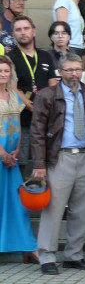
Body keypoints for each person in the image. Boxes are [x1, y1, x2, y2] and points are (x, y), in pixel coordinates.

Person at [29, 53, 85, 275]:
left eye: (77, 69)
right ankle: (46, 256)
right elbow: (37, 132)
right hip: (59, 158)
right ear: (60, 72)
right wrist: (39, 163)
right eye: (69, 70)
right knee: (53, 209)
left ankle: (74, 255)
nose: (74, 74)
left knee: (81, 210)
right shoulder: (47, 95)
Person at [12, 16, 58, 171]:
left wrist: (47, 106)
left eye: (26, 28)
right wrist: (30, 105)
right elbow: (13, 87)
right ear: (13, 35)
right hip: (23, 119)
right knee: (24, 161)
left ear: (34, 31)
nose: (23, 33)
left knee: (46, 159)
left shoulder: (45, 56)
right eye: (18, 30)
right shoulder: (10, 58)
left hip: (46, 118)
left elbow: (53, 83)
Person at [0, 55, 32, 263]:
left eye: (6, 71)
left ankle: (25, 245)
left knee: (15, 202)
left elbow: (18, 123)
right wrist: (2, 153)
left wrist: (17, 149)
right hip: (1, 156)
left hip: (11, 159)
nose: (3, 75)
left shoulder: (14, 95)